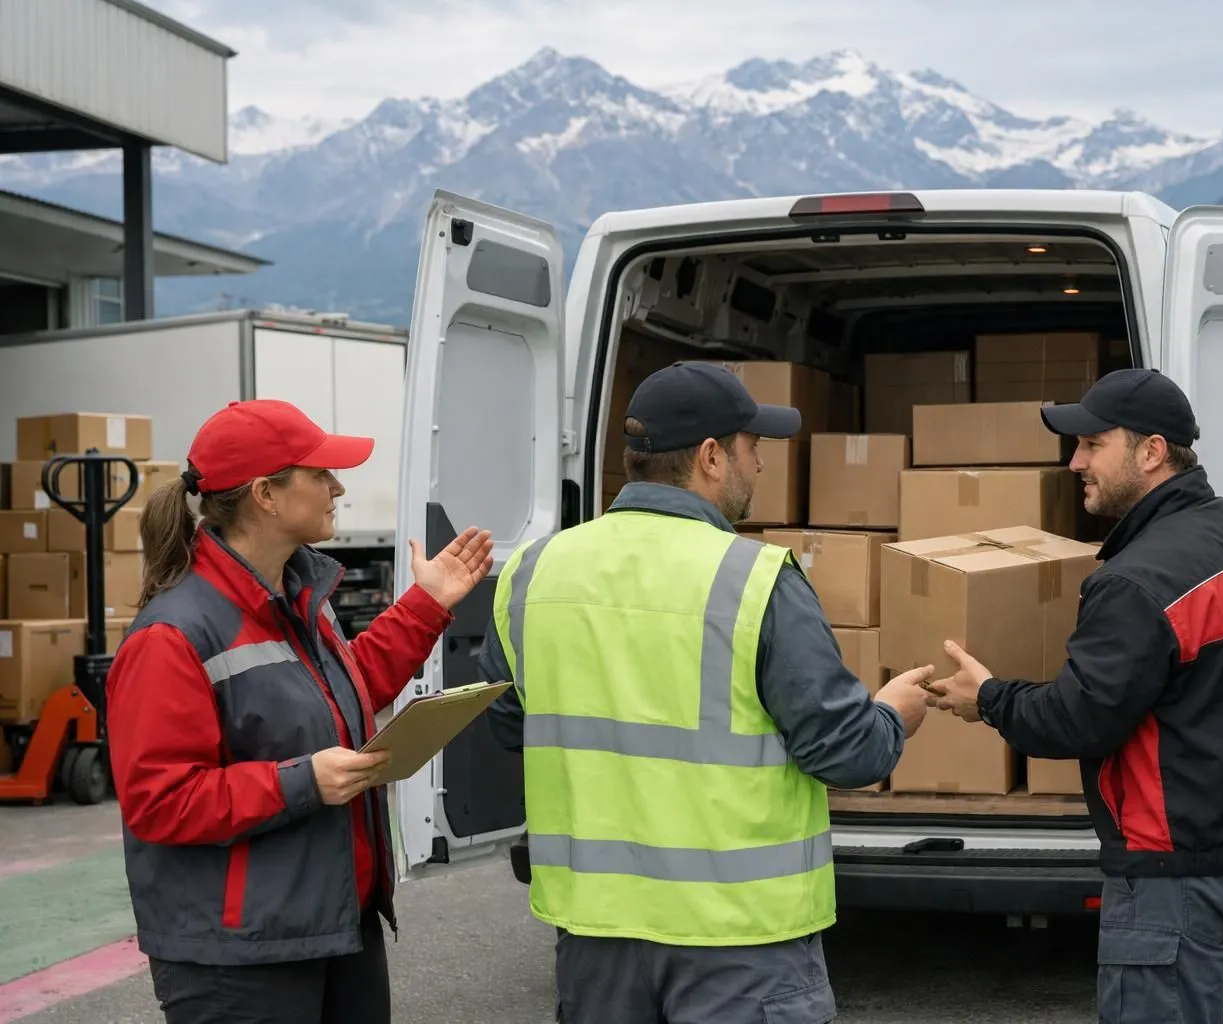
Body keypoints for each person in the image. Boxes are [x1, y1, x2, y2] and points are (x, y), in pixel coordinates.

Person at [477, 360, 934, 1024]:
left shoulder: (532, 572)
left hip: (596, 940)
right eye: (754, 449)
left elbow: (511, 726)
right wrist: (894, 712)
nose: (761, 466)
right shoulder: (753, 579)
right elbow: (847, 753)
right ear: (712, 457)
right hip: (738, 942)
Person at [923, 368, 1223, 1024]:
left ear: (1151, 451)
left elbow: (1078, 722)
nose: (1075, 462)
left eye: (1093, 444)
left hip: (1179, 872)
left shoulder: (1135, 583)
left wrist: (988, 697)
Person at [104, 398, 493, 1024]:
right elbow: (159, 799)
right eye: (320, 474)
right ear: (266, 494)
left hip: (335, 923)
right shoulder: (171, 637)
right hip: (242, 958)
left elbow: (344, 689)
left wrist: (425, 605)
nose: (338, 486)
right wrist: (302, 781)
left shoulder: (296, 593)